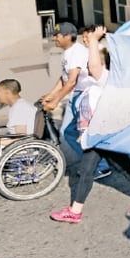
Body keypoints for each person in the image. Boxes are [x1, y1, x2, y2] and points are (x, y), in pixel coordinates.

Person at [49, 26, 130, 223]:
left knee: (118, 168)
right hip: (99, 134)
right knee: (95, 169)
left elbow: (95, 66)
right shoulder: (94, 82)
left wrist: (94, 40)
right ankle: (76, 211)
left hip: (106, 135)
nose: (89, 63)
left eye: (94, 59)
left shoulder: (104, 78)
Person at [40, 22, 93, 166]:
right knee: (68, 132)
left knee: (83, 134)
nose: (54, 39)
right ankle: (90, 163)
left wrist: (56, 101)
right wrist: (51, 94)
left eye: (57, 36)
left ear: (68, 36)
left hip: (84, 97)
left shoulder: (77, 52)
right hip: (75, 97)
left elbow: (71, 81)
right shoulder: (68, 52)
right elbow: (63, 78)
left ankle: (100, 166)